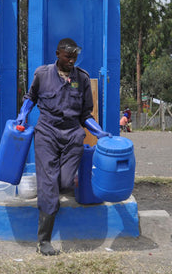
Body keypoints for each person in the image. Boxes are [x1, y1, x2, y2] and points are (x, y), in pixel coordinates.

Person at [16, 38, 111, 256]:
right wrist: (23, 115)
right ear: (57, 53)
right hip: (46, 133)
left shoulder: (82, 79)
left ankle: (49, 191)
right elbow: (30, 97)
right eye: (68, 57)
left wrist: (99, 133)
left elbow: (85, 114)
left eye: (74, 57)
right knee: (49, 184)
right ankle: (44, 241)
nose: (71, 61)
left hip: (72, 136)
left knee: (66, 182)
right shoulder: (42, 74)